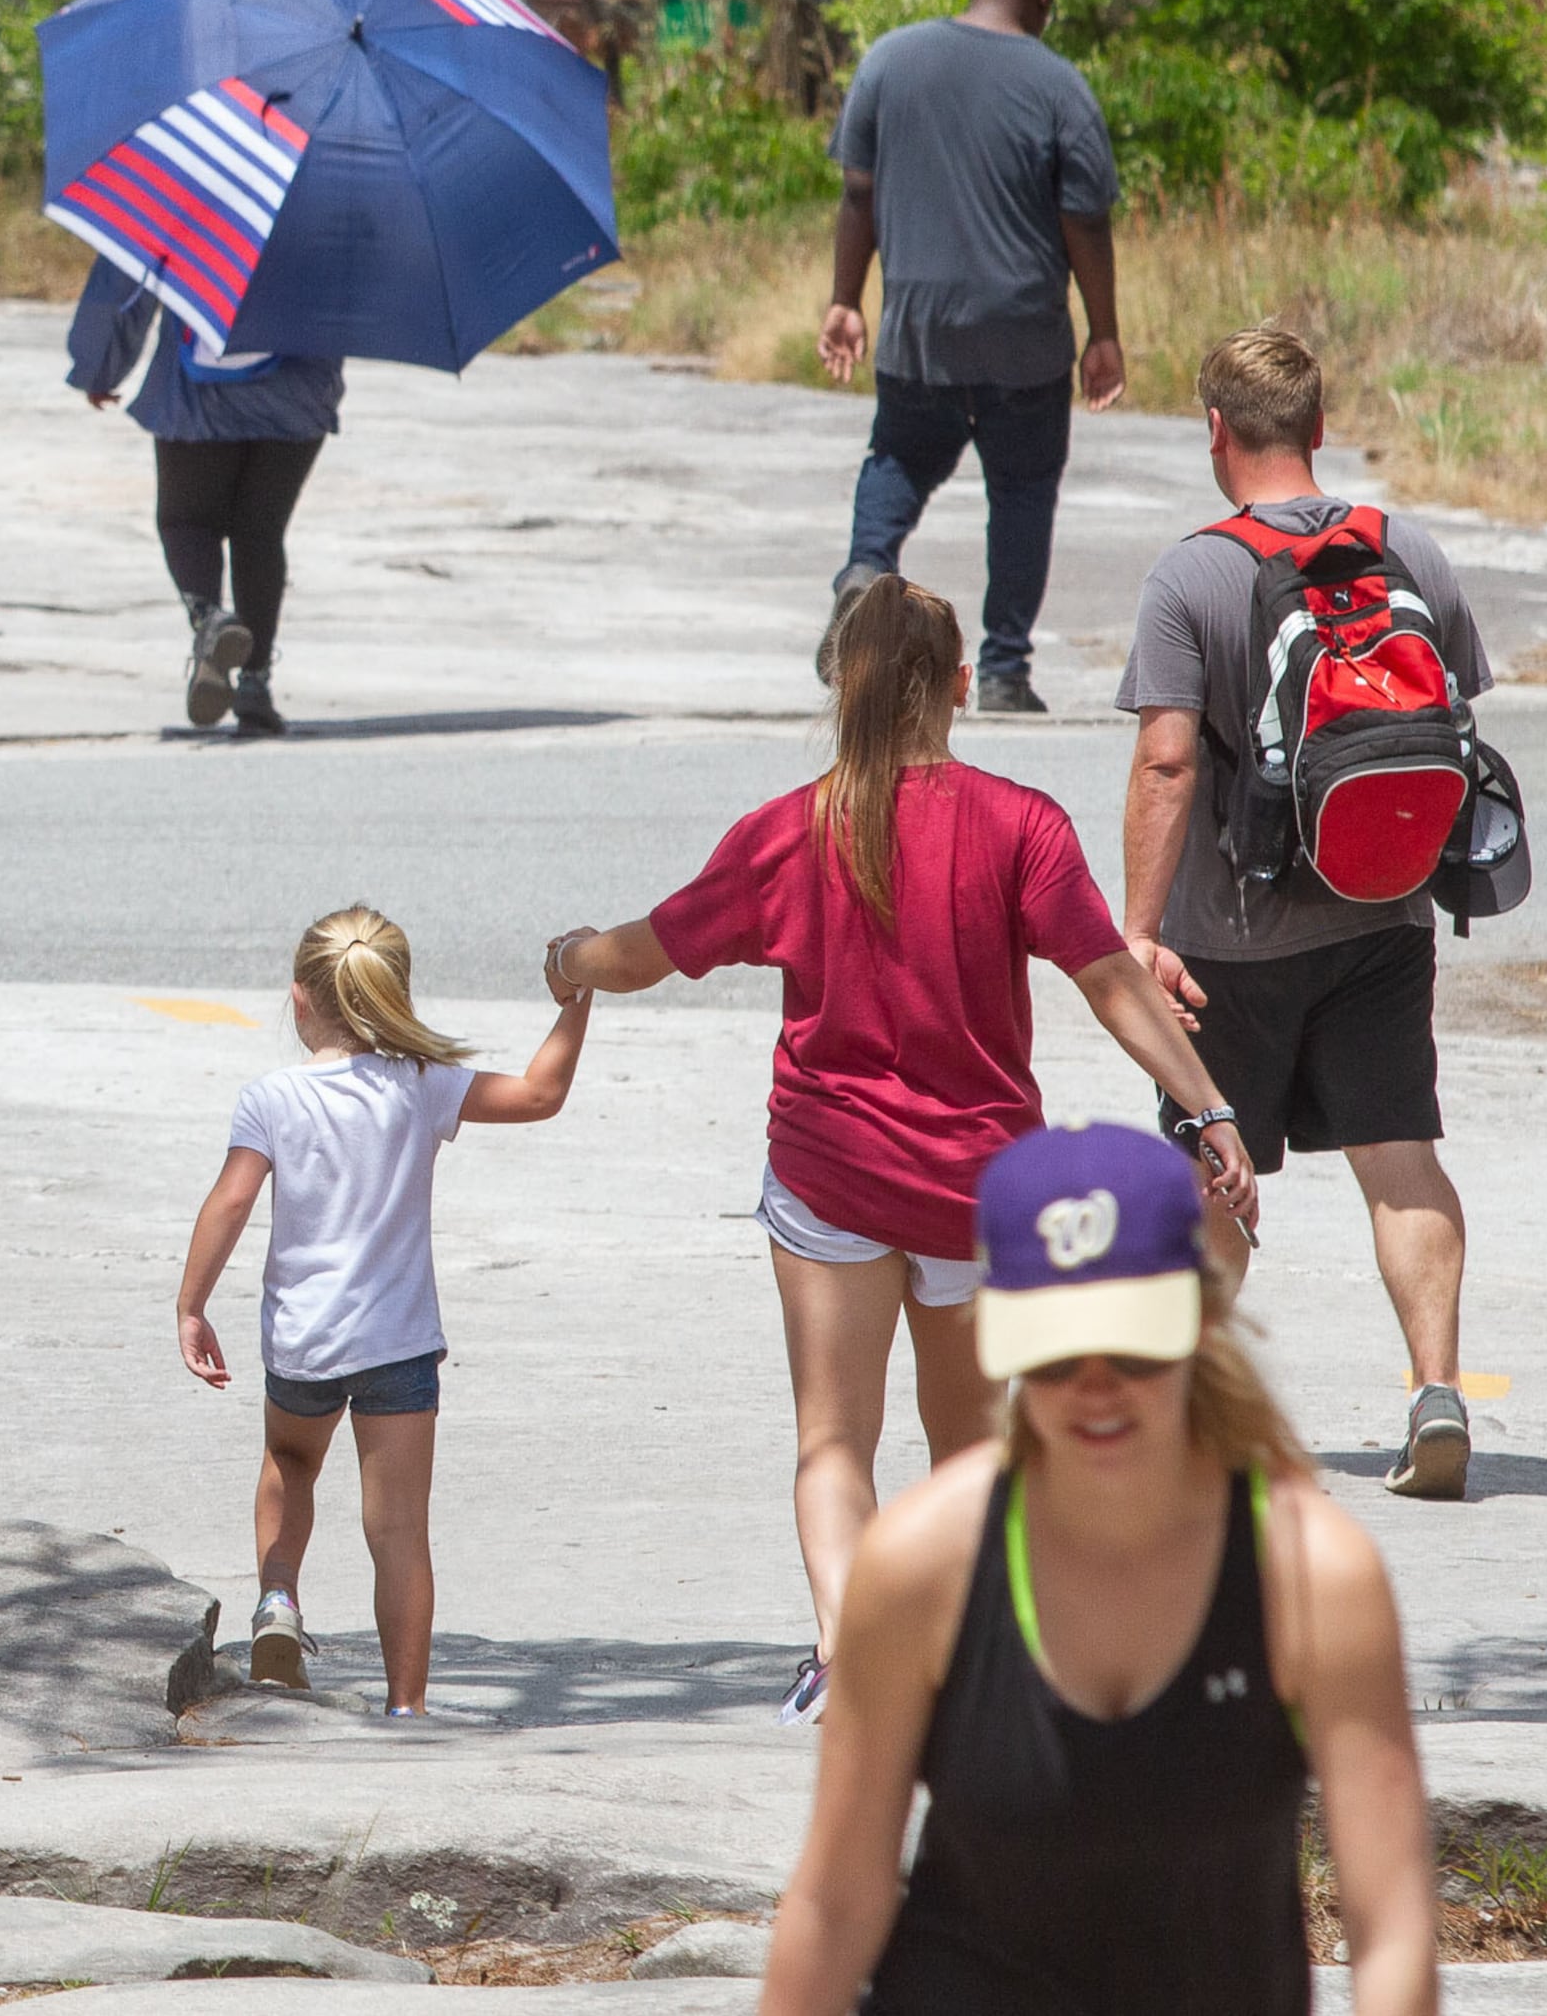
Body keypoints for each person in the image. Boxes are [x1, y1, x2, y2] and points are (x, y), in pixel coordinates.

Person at [543, 574, 1255, 1726]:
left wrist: (571, 958)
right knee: (971, 1441)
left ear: (843, 685)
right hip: (976, 1189)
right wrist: (1208, 1105)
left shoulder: (787, 830)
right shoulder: (1021, 822)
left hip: (831, 1180)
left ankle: (843, 1652)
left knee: (834, 1438)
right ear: (965, 686)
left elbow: (644, 954)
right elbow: (1112, 982)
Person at [757, 1123, 1437, 2016]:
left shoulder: (1309, 1575)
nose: (1096, 1383)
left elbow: (1389, 1925)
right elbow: (835, 1901)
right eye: (1054, 1349)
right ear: (997, 1338)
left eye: (1133, 1345)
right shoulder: (925, 1566)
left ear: (1200, 1322)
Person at [1117, 326, 1496, 1503]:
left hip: (1232, 939)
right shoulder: (1406, 546)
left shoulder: (1194, 573)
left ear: (1216, 434)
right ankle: (1436, 1389)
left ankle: (1180, 1409)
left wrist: (1138, 930)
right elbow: (1452, 721)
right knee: (1401, 1161)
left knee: (1211, 1172)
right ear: (1319, 429)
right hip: (1385, 921)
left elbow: (1169, 762)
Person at [173, 907, 591, 1715]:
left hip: (302, 1343)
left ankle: (279, 1603)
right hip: (398, 1346)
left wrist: (192, 1306)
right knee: (398, 1531)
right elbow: (541, 1094)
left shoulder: (271, 1097)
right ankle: (407, 1709)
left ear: (300, 1000)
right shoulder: (421, 1084)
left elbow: (229, 1201)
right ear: (392, 993)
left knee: (290, 1465)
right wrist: (577, 996)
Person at [815, 0, 1120, 716]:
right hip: (1024, 332)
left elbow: (857, 193)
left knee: (898, 457)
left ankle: (864, 570)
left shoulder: (889, 58)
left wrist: (846, 298)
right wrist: (1103, 332)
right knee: (1020, 490)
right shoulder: (1060, 88)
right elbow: (1084, 220)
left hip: (918, 322)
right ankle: (1004, 670)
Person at [67, 264, 348, 738]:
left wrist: (100, 366)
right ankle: (254, 685)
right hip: (299, 390)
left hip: (198, 393)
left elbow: (126, 283)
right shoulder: (340, 200)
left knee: (185, 523)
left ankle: (212, 621)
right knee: (260, 534)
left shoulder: (187, 197)